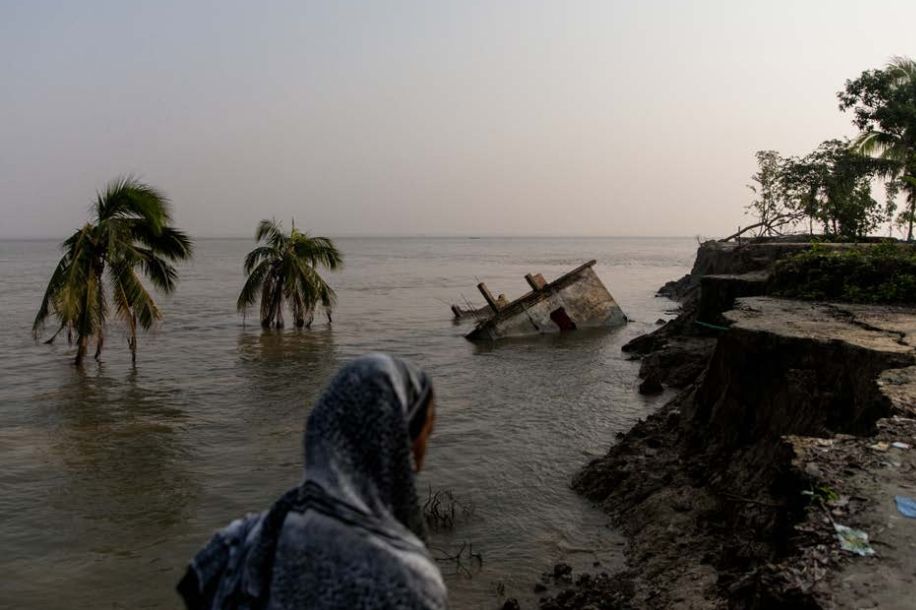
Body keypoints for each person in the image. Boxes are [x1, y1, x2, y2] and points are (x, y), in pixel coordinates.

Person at [178, 354, 446, 610]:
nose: (423, 452)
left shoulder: (241, 541)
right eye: (427, 433)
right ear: (398, 442)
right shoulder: (408, 580)